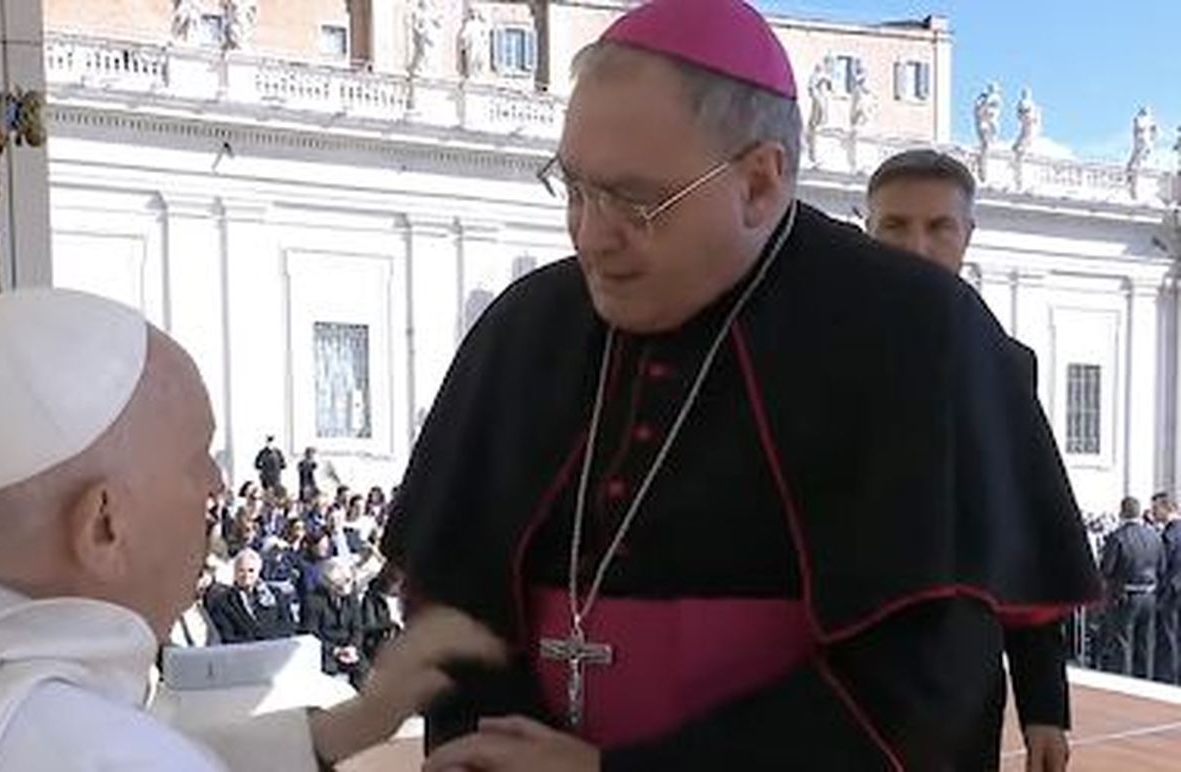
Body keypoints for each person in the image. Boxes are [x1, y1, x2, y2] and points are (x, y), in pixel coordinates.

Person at [380, 2, 1100, 769]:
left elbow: (922, 687)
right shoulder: (526, 326)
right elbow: (453, 603)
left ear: (759, 182)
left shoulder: (918, 333)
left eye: (634, 201)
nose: (591, 236)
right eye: (576, 189)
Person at [0, 288, 504, 771]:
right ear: (104, 524)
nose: (219, 488)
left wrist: (345, 728)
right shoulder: (95, 751)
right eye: (199, 456)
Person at [865, 149, 1073, 770]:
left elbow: (1027, 537)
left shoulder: (1007, 367)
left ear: (967, 236)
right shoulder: (806, 348)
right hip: (830, 676)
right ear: (864, 229)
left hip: (958, 685)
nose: (918, 248)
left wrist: (1045, 706)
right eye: (895, 226)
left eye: (939, 227)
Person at [1098, 496, 1165, 678]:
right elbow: (1162, 567)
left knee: (1122, 644)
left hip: (1125, 596)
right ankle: (1145, 682)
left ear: (1122, 512)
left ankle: (1124, 685)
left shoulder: (1117, 537)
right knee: (1145, 645)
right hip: (1149, 595)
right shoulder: (1154, 536)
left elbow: (1106, 569)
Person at [206, 549, 299, 644]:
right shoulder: (223, 601)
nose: (246, 575)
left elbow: (288, 626)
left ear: (258, 572)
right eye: (241, 571)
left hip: (276, 650)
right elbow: (227, 636)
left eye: (251, 570)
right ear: (234, 573)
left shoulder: (277, 595)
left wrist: (266, 640)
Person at [302, 559, 369, 687]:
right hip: (326, 650)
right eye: (339, 584)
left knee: (364, 671)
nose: (345, 587)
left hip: (349, 647)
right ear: (328, 584)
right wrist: (335, 650)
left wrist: (352, 647)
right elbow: (311, 635)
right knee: (330, 672)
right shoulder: (313, 601)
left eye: (348, 581)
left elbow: (357, 627)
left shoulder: (350, 595)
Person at [1154, 494, 1181, 684]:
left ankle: (1168, 676)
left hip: (1171, 592)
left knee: (1168, 636)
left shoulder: (1170, 534)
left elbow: (1164, 565)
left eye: (1156, 509)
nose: (1154, 513)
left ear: (1166, 508)